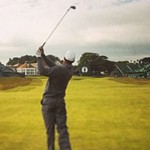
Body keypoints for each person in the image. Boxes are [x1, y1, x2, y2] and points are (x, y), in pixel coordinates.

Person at [36, 46, 75, 150]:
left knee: (50, 131)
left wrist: (38, 57)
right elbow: (53, 66)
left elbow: (42, 71)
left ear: (64, 59)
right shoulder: (69, 71)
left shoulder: (59, 69)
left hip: (48, 102)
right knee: (62, 129)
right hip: (60, 102)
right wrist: (43, 55)